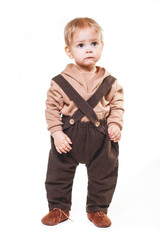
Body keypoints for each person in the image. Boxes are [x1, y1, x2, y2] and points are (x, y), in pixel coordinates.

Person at [41, 17, 124, 228]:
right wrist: (57, 133)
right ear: (69, 51)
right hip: (69, 135)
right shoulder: (60, 81)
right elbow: (51, 109)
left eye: (94, 43)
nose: (89, 50)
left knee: (104, 174)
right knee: (58, 173)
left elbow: (117, 105)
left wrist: (115, 124)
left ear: (102, 46)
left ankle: (98, 209)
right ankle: (58, 208)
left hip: (101, 135)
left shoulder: (110, 82)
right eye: (81, 45)